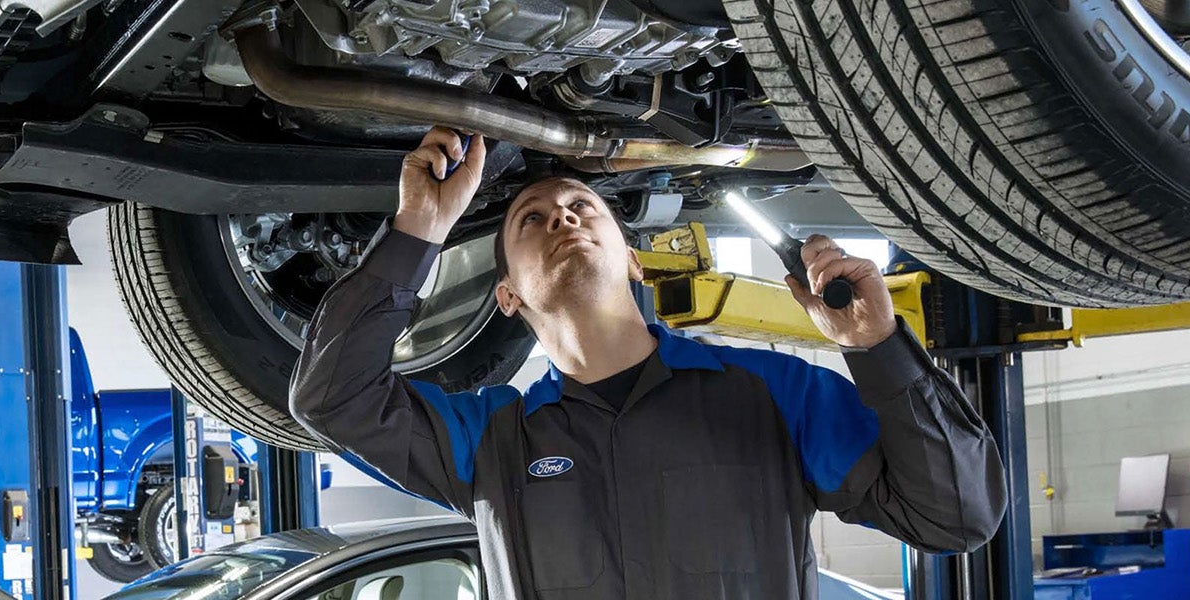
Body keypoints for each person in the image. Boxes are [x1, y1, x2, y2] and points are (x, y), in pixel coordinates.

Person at [290, 127, 1008, 599]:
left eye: (583, 206)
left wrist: (879, 348)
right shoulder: (490, 439)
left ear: (635, 260)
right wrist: (419, 227)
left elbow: (955, 516)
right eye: (532, 219)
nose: (563, 216)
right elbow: (332, 398)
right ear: (507, 296)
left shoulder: (772, 394)